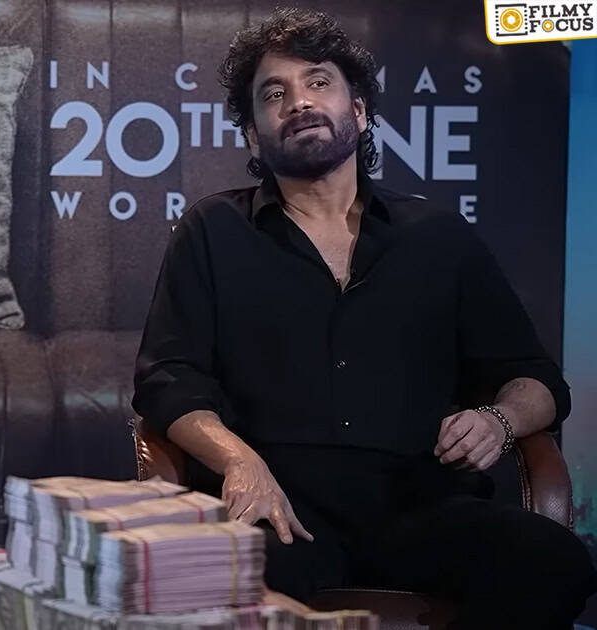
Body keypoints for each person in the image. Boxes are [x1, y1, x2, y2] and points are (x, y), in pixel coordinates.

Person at [132, 8, 595, 629]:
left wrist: (499, 420)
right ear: (252, 137)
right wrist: (240, 461)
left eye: (318, 82)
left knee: (554, 561)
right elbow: (167, 378)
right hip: (281, 507)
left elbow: (537, 379)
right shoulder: (212, 230)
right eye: (274, 93)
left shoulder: (438, 236)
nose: (299, 101)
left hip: (421, 505)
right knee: (223, 574)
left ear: (358, 111)